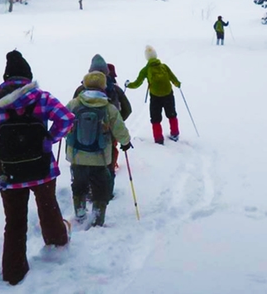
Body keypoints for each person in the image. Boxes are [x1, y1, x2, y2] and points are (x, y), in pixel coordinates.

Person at [0, 51, 76, 286]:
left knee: (14, 222)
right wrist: (49, 139)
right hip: (42, 168)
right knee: (48, 207)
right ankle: (57, 244)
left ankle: (13, 272)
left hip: (9, 173)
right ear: (28, 77)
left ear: (6, 79)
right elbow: (66, 119)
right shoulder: (41, 98)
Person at [66, 71, 132, 227]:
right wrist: (126, 142)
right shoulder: (108, 107)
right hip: (100, 157)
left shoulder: (74, 104)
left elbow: (62, 122)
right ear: (103, 86)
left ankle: (80, 211)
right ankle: (98, 216)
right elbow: (119, 128)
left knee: (79, 184)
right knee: (101, 187)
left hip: (77, 155)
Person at [72, 54, 132, 194]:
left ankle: (84, 192)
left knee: (83, 159)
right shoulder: (115, 89)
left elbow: (72, 112)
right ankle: (105, 193)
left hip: (82, 133)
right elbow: (128, 109)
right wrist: (115, 123)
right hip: (108, 133)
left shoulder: (81, 89)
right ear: (107, 72)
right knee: (107, 163)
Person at [125, 45, 181, 144]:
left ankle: (158, 139)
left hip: (155, 97)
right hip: (168, 94)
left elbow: (137, 83)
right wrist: (178, 84)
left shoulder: (145, 70)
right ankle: (175, 134)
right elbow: (173, 78)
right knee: (171, 114)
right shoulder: (164, 66)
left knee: (155, 118)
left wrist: (128, 85)